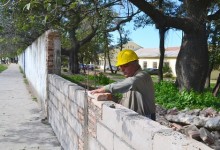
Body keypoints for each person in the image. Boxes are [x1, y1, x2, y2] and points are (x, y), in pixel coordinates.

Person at [90, 49, 156, 121]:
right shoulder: (131, 77)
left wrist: (104, 89)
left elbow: (131, 82)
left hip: (145, 119)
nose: (122, 69)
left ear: (135, 63)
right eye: (120, 66)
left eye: (125, 65)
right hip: (132, 117)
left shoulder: (143, 76)